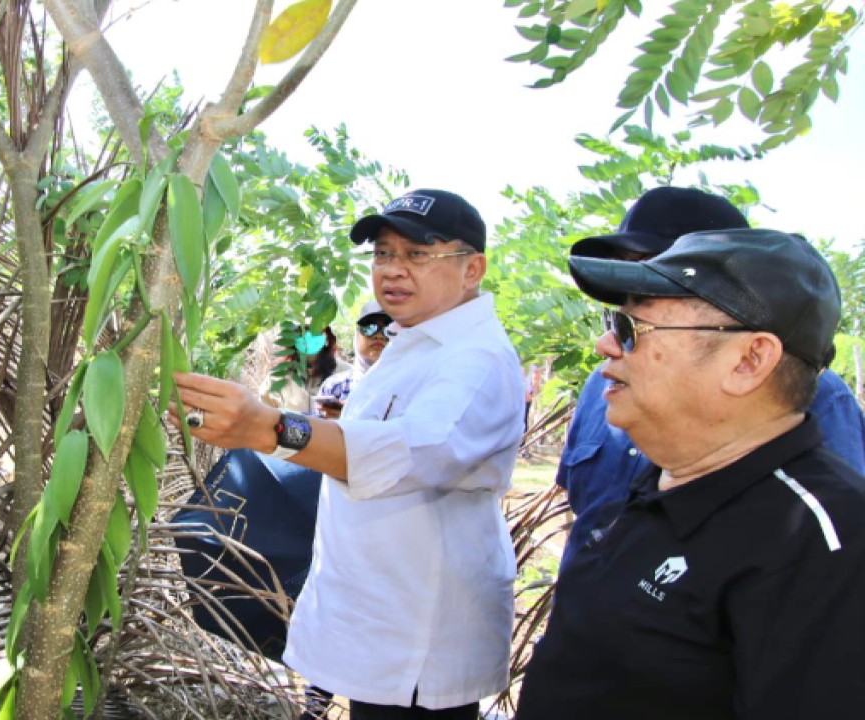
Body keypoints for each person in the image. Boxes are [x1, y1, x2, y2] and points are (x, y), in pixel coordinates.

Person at [174, 189, 523, 719]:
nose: (393, 270)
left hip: (419, 639)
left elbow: (412, 450)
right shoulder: (413, 344)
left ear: (472, 269)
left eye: (417, 254)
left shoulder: (474, 359)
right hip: (382, 620)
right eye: (384, 254)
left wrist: (267, 428)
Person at [516, 228, 865, 718]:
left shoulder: (825, 542)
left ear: (748, 360)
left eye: (631, 328)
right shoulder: (662, 478)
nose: (604, 345)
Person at [554, 186, 865, 569]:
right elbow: (582, 505)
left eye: (659, 266)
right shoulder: (603, 383)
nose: (632, 285)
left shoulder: (816, 398)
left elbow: (825, 551)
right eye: (625, 264)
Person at [314, 301, 392, 419]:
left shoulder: (410, 387)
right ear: (357, 335)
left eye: (388, 329)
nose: (379, 336)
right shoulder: (335, 387)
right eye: (369, 328)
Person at [272, 326, 353, 415]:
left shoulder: (347, 374)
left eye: (314, 330)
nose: (308, 336)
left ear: (326, 335)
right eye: (302, 331)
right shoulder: (277, 378)